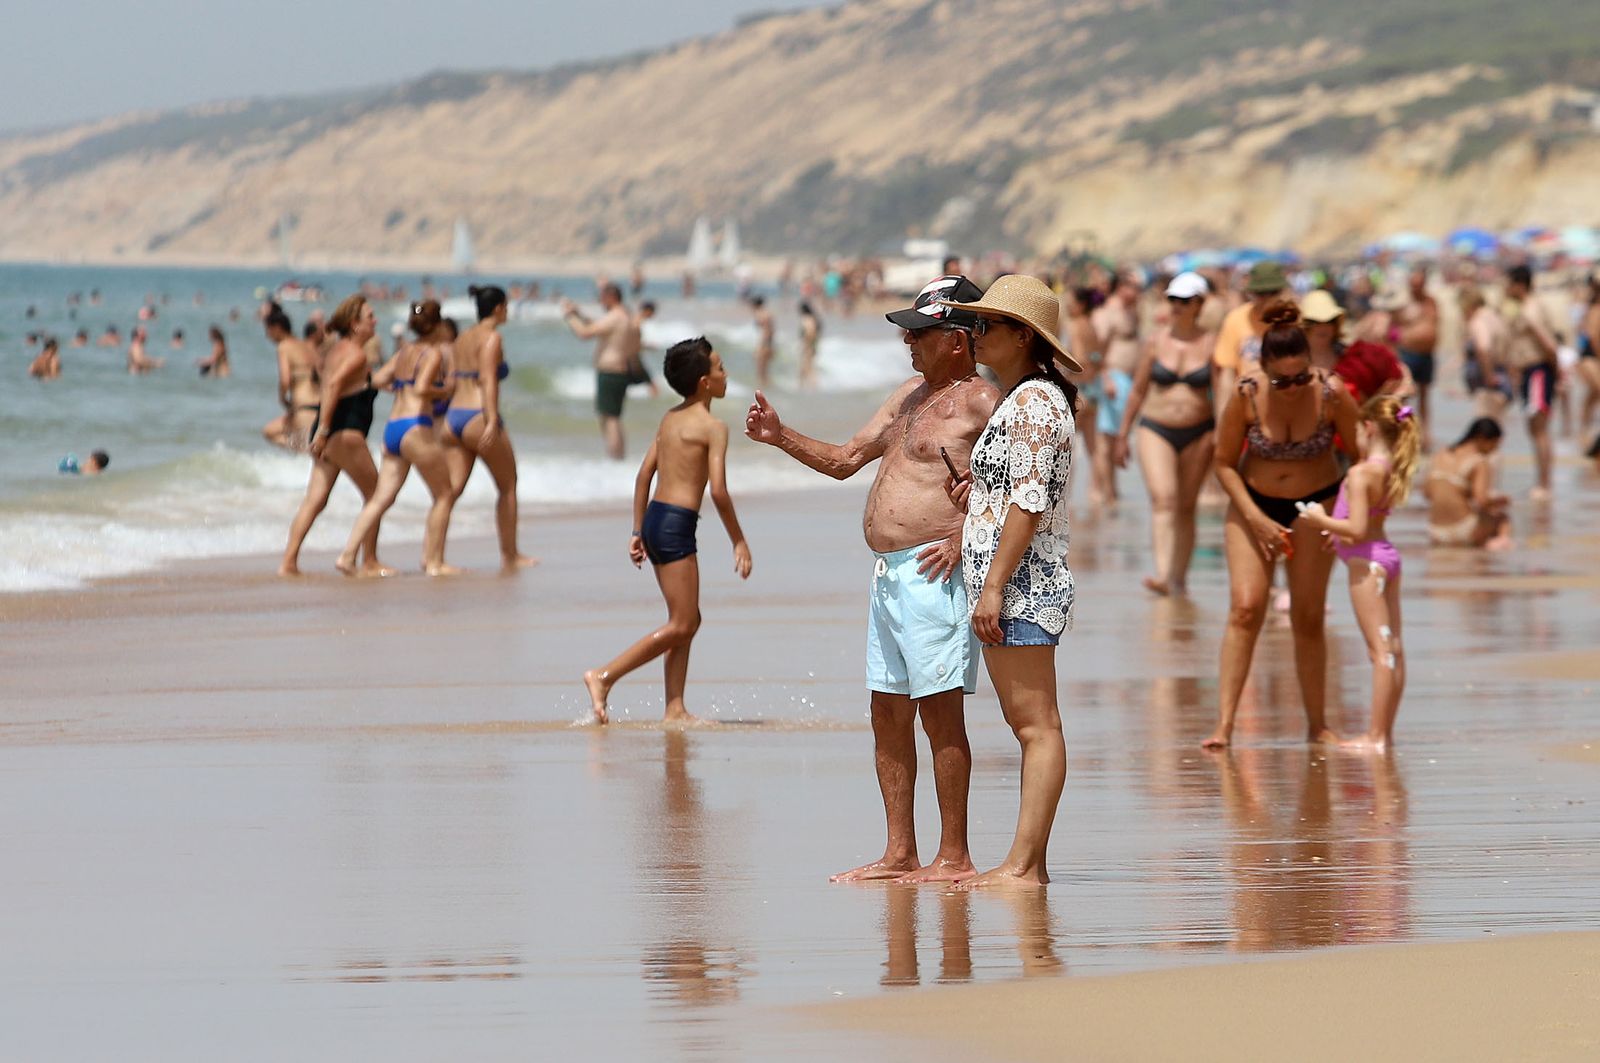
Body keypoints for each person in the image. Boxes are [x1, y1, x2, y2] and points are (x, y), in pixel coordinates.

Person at [745, 275, 998, 884]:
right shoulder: (910, 395)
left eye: (922, 334)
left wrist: (966, 536)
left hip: (937, 574)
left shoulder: (984, 402)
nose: (910, 345)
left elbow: (1023, 484)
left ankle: (955, 855)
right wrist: (780, 437)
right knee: (886, 710)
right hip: (888, 577)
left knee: (939, 714)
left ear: (958, 340)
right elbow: (844, 461)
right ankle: (899, 852)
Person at [941, 274, 1081, 889]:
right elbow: (1021, 489)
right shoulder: (1030, 398)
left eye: (985, 326)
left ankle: (1024, 866)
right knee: (1033, 725)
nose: (973, 335)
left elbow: (1028, 504)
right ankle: (1029, 863)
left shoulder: (1031, 404)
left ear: (1022, 335)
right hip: (1016, 579)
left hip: (1022, 584)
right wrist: (979, 492)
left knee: (1036, 726)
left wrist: (994, 586)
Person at [1203, 300, 1360, 750]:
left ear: (1310, 365)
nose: (1291, 388)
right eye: (1281, 380)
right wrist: (1255, 519)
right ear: (1263, 367)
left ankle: (1317, 725)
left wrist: (1343, 516)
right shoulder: (1247, 392)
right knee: (1246, 609)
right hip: (1255, 505)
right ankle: (1225, 725)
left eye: (1299, 377)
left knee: (1309, 617)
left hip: (1317, 505)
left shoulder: (1331, 392)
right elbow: (1223, 463)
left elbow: (1362, 455)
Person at [584, 338, 752, 724]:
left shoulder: (669, 418)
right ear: (705, 383)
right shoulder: (712, 427)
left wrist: (636, 530)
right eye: (720, 367)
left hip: (656, 520)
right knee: (684, 623)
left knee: (685, 618)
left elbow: (644, 475)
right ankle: (604, 676)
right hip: (676, 525)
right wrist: (739, 540)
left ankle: (675, 707)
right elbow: (720, 492)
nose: (725, 374)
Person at [1297, 396, 1422, 752]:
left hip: (1366, 564)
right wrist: (1334, 533)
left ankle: (1376, 735)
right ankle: (1385, 732)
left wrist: (1320, 520)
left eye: (1355, 429)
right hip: (1386, 557)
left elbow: (1356, 528)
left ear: (1367, 428)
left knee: (1379, 651)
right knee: (1393, 647)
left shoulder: (1360, 473)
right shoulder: (1391, 468)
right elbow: (1364, 523)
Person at [334, 300, 460, 577]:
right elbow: (425, 387)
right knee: (444, 494)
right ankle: (434, 562)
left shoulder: (403, 351)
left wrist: (400, 388)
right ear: (437, 325)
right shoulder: (433, 354)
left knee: (380, 498)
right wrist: (446, 388)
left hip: (393, 427)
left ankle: (347, 556)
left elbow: (377, 379)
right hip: (417, 426)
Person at [1114, 271, 1216, 595]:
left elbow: (1225, 392)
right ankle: (1161, 573)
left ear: (1199, 304)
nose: (1177, 307)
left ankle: (1179, 576)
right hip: (1156, 428)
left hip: (1200, 431)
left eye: (1184, 301)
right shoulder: (1156, 340)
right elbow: (1138, 390)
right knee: (1164, 500)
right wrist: (1122, 434)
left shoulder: (1213, 343)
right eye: (1173, 300)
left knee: (1186, 506)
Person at [280, 295, 388, 578]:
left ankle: (288, 562)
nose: (375, 321)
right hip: (344, 433)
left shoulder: (334, 351)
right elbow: (334, 386)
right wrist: (326, 429)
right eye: (370, 317)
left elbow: (332, 380)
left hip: (325, 432)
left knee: (315, 499)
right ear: (355, 324)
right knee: (376, 495)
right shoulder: (356, 354)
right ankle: (368, 561)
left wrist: (321, 431)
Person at [446, 285, 534, 570]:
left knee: (451, 491)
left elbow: (453, 380)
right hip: (478, 416)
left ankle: (433, 555)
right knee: (508, 485)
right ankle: (510, 555)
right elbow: (488, 379)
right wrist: (492, 419)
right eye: (506, 306)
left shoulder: (461, 337)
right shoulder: (492, 338)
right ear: (498, 308)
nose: (507, 311)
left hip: (454, 415)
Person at [1503, 264, 1558, 499]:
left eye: (1508, 283)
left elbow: (1549, 345)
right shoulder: (1525, 307)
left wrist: (1556, 371)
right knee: (1534, 428)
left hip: (1537, 371)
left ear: (1518, 285)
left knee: (1539, 428)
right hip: (1531, 372)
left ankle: (1544, 484)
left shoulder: (1530, 310)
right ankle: (1541, 480)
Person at [562, 282, 634, 460]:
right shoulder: (623, 315)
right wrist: (579, 313)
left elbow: (585, 333)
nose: (600, 301)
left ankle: (616, 458)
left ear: (611, 297)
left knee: (610, 419)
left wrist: (570, 316)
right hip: (618, 371)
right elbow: (597, 325)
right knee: (612, 417)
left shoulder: (616, 316)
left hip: (611, 372)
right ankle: (618, 457)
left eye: (602, 297)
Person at [1089, 271, 1141, 503]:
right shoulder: (1108, 312)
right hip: (1113, 378)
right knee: (1105, 438)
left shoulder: (1132, 312)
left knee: (1118, 435)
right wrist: (1106, 378)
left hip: (1128, 378)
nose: (1138, 293)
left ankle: (1112, 490)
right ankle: (1103, 491)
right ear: (1121, 287)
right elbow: (1097, 350)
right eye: (1134, 288)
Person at [1424, 418, 1513, 547]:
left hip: (1435, 531)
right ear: (1482, 439)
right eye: (1494, 445)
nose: (1493, 451)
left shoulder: (1440, 455)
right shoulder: (1478, 462)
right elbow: (1482, 500)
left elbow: (1427, 493)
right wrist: (1501, 500)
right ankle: (1494, 551)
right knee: (1502, 518)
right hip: (1463, 531)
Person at [1213, 261, 1288, 401]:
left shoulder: (1293, 319)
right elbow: (1227, 373)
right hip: (1246, 404)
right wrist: (1223, 418)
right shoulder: (1235, 319)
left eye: (1272, 293)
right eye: (1260, 294)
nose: (1266, 300)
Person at [262, 305, 321, 451]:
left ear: (277, 328)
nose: (267, 335)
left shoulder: (284, 346)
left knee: (303, 451)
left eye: (268, 330)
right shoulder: (307, 346)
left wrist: (282, 399)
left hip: (302, 408)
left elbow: (285, 379)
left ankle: (303, 450)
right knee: (271, 431)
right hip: (320, 408)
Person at [1392, 267, 1440, 447]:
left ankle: (1425, 433)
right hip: (1408, 353)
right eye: (1414, 285)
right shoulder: (1404, 305)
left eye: (1419, 284)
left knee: (1425, 396)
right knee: (1405, 395)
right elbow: (1391, 328)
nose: (1416, 288)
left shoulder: (1431, 302)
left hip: (1427, 354)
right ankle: (1404, 432)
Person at [1574, 275, 1600, 457]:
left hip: (1591, 357)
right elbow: (1593, 336)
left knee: (1593, 394)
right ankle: (1585, 431)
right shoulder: (1595, 309)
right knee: (1596, 392)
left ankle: (1584, 430)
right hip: (1591, 357)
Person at [750, 294, 776, 390]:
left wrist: (760, 346)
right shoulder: (767, 313)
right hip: (769, 343)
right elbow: (772, 330)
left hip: (764, 343)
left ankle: (762, 390)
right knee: (765, 369)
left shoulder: (760, 314)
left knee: (761, 369)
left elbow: (766, 331)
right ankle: (767, 388)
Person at [798, 300, 822, 389]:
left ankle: (814, 386)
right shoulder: (813, 318)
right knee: (803, 369)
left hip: (809, 346)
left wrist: (806, 345)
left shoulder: (807, 319)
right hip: (812, 346)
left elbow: (810, 333)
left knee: (808, 368)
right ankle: (802, 387)